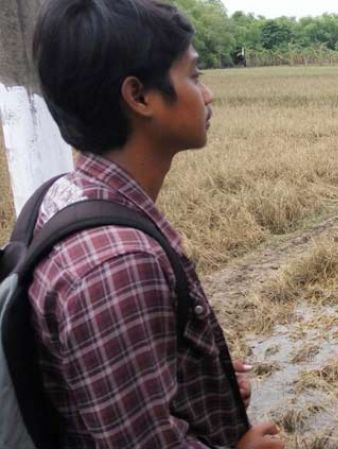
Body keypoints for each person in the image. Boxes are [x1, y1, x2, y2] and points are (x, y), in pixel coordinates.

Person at [29, 1, 284, 448]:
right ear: (140, 97)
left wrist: (204, 381)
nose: (208, 95)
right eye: (195, 76)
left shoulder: (61, 195)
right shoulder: (118, 265)